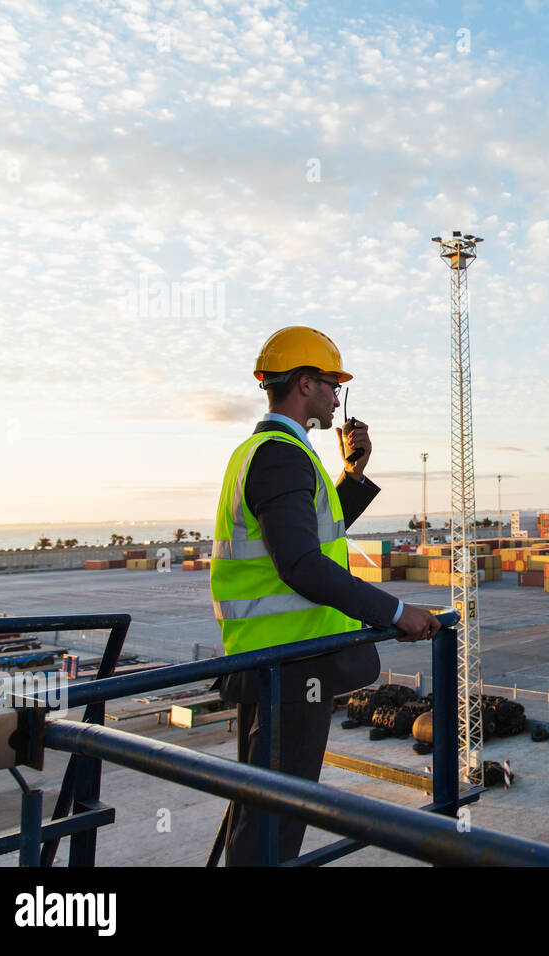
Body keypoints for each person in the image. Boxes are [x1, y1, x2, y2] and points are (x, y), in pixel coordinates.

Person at [209, 326, 438, 865]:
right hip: (290, 665)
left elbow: (304, 536)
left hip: (273, 661)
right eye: (334, 385)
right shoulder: (282, 455)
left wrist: (353, 472)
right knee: (276, 820)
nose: (338, 398)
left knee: (263, 811)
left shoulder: (267, 452)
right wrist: (397, 611)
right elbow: (301, 565)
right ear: (306, 384)